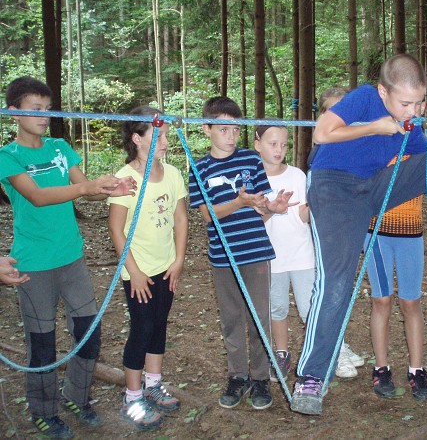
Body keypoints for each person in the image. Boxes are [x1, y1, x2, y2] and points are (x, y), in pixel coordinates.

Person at [290, 54, 427, 416]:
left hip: (373, 187)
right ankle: (312, 378)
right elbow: (321, 132)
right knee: (336, 283)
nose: (412, 110)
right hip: (333, 187)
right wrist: (375, 127)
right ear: (384, 92)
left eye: (418, 103)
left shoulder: (408, 128)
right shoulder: (365, 98)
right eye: (405, 103)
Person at [0, 76, 136, 438]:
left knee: (88, 333)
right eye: (35, 110)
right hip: (32, 263)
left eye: (48, 109)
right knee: (41, 344)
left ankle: (77, 396)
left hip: (72, 258)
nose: (44, 116)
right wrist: (86, 187)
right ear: (13, 112)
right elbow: (38, 196)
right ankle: (43, 411)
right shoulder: (8, 156)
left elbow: (85, 191)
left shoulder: (60, 147)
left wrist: (108, 188)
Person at [188, 96, 296, 411]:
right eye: (224, 129)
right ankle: (237, 376)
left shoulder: (251, 159)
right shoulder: (200, 167)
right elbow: (207, 215)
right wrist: (238, 202)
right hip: (224, 257)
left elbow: (262, 201)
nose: (231, 135)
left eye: (236, 129)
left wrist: (273, 207)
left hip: (256, 252)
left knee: (259, 317)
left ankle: (261, 378)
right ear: (207, 128)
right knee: (232, 319)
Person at [365, 120, 427, 402]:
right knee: (381, 300)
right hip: (377, 236)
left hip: (411, 236)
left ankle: (417, 369)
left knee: (411, 301)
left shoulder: (422, 149)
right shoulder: (378, 145)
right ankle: (381, 367)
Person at [107, 106, 188, 429]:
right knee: (141, 329)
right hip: (137, 270)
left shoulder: (173, 174)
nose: (166, 142)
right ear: (137, 138)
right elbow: (116, 229)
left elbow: (181, 218)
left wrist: (179, 259)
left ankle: (153, 384)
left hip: (165, 267)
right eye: (159, 135)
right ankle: (132, 396)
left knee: (159, 324)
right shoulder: (124, 179)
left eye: (167, 135)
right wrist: (135, 271)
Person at [254, 123, 313, 382]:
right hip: (270, 256)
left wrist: (319, 200)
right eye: (272, 144)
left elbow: (303, 215)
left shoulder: (298, 176)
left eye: (284, 145)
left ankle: (314, 355)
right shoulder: (253, 178)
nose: (279, 150)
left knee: (308, 307)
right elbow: (253, 222)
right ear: (258, 144)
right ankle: (281, 353)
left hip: (302, 254)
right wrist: (271, 209)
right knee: (277, 308)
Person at [316, 89, 366, 379]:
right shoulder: (322, 152)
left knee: (342, 291)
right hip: (326, 234)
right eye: (332, 112)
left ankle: (340, 345)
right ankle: (330, 353)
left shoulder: (359, 149)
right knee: (329, 291)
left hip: (350, 230)